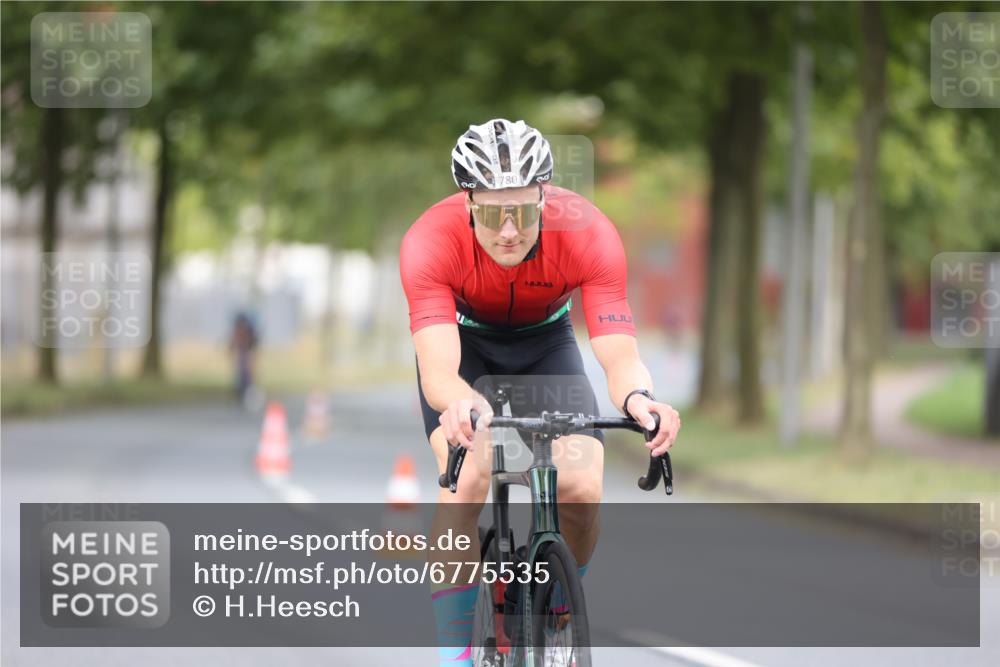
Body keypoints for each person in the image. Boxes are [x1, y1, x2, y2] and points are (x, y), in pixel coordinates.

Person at [399, 118, 682, 665]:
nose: (508, 230)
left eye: (524, 212)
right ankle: (453, 657)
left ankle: (555, 616)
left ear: (545, 199)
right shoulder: (429, 242)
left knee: (581, 484)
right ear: (467, 203)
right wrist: (463, 405)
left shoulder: (589, 234)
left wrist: (639, 399)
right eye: (490, 213)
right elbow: (439, 372)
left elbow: (619, 353)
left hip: (546, 345)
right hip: (467, 350)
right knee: (469, 473)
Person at [229, 311, 259, 407]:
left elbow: (253, 343)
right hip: (241, 353)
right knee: (240, 374)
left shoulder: (249, 331)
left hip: (247, 353)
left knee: (248, 374)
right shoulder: (238, 330)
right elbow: (233, 342)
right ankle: (239, 394)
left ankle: (248, 394)